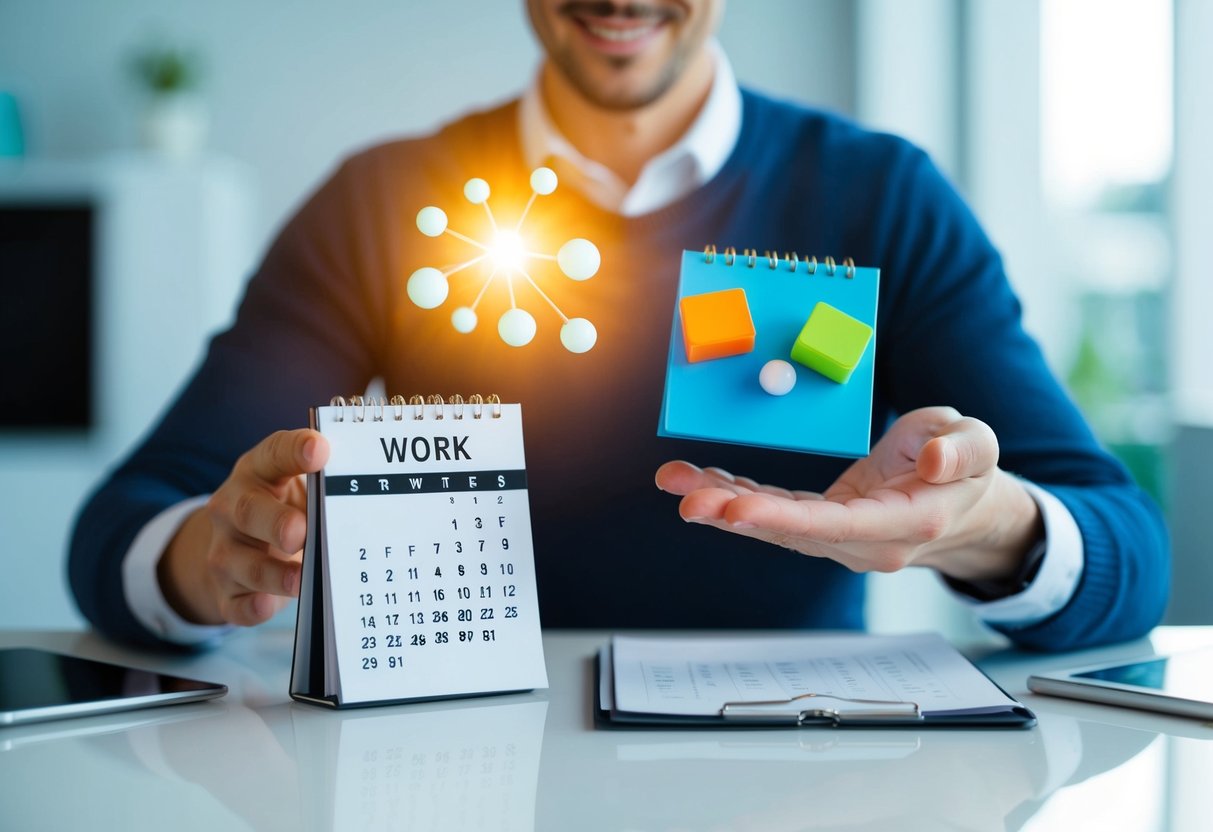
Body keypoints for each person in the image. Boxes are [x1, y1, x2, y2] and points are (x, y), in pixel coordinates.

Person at [70, 0, 1169, 651]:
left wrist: (986, 526)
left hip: (800, 768)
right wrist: (207, 556)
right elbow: (121, 524)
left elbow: (1133, 551)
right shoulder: (383, 202)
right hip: (451, 771)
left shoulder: (877, 196)